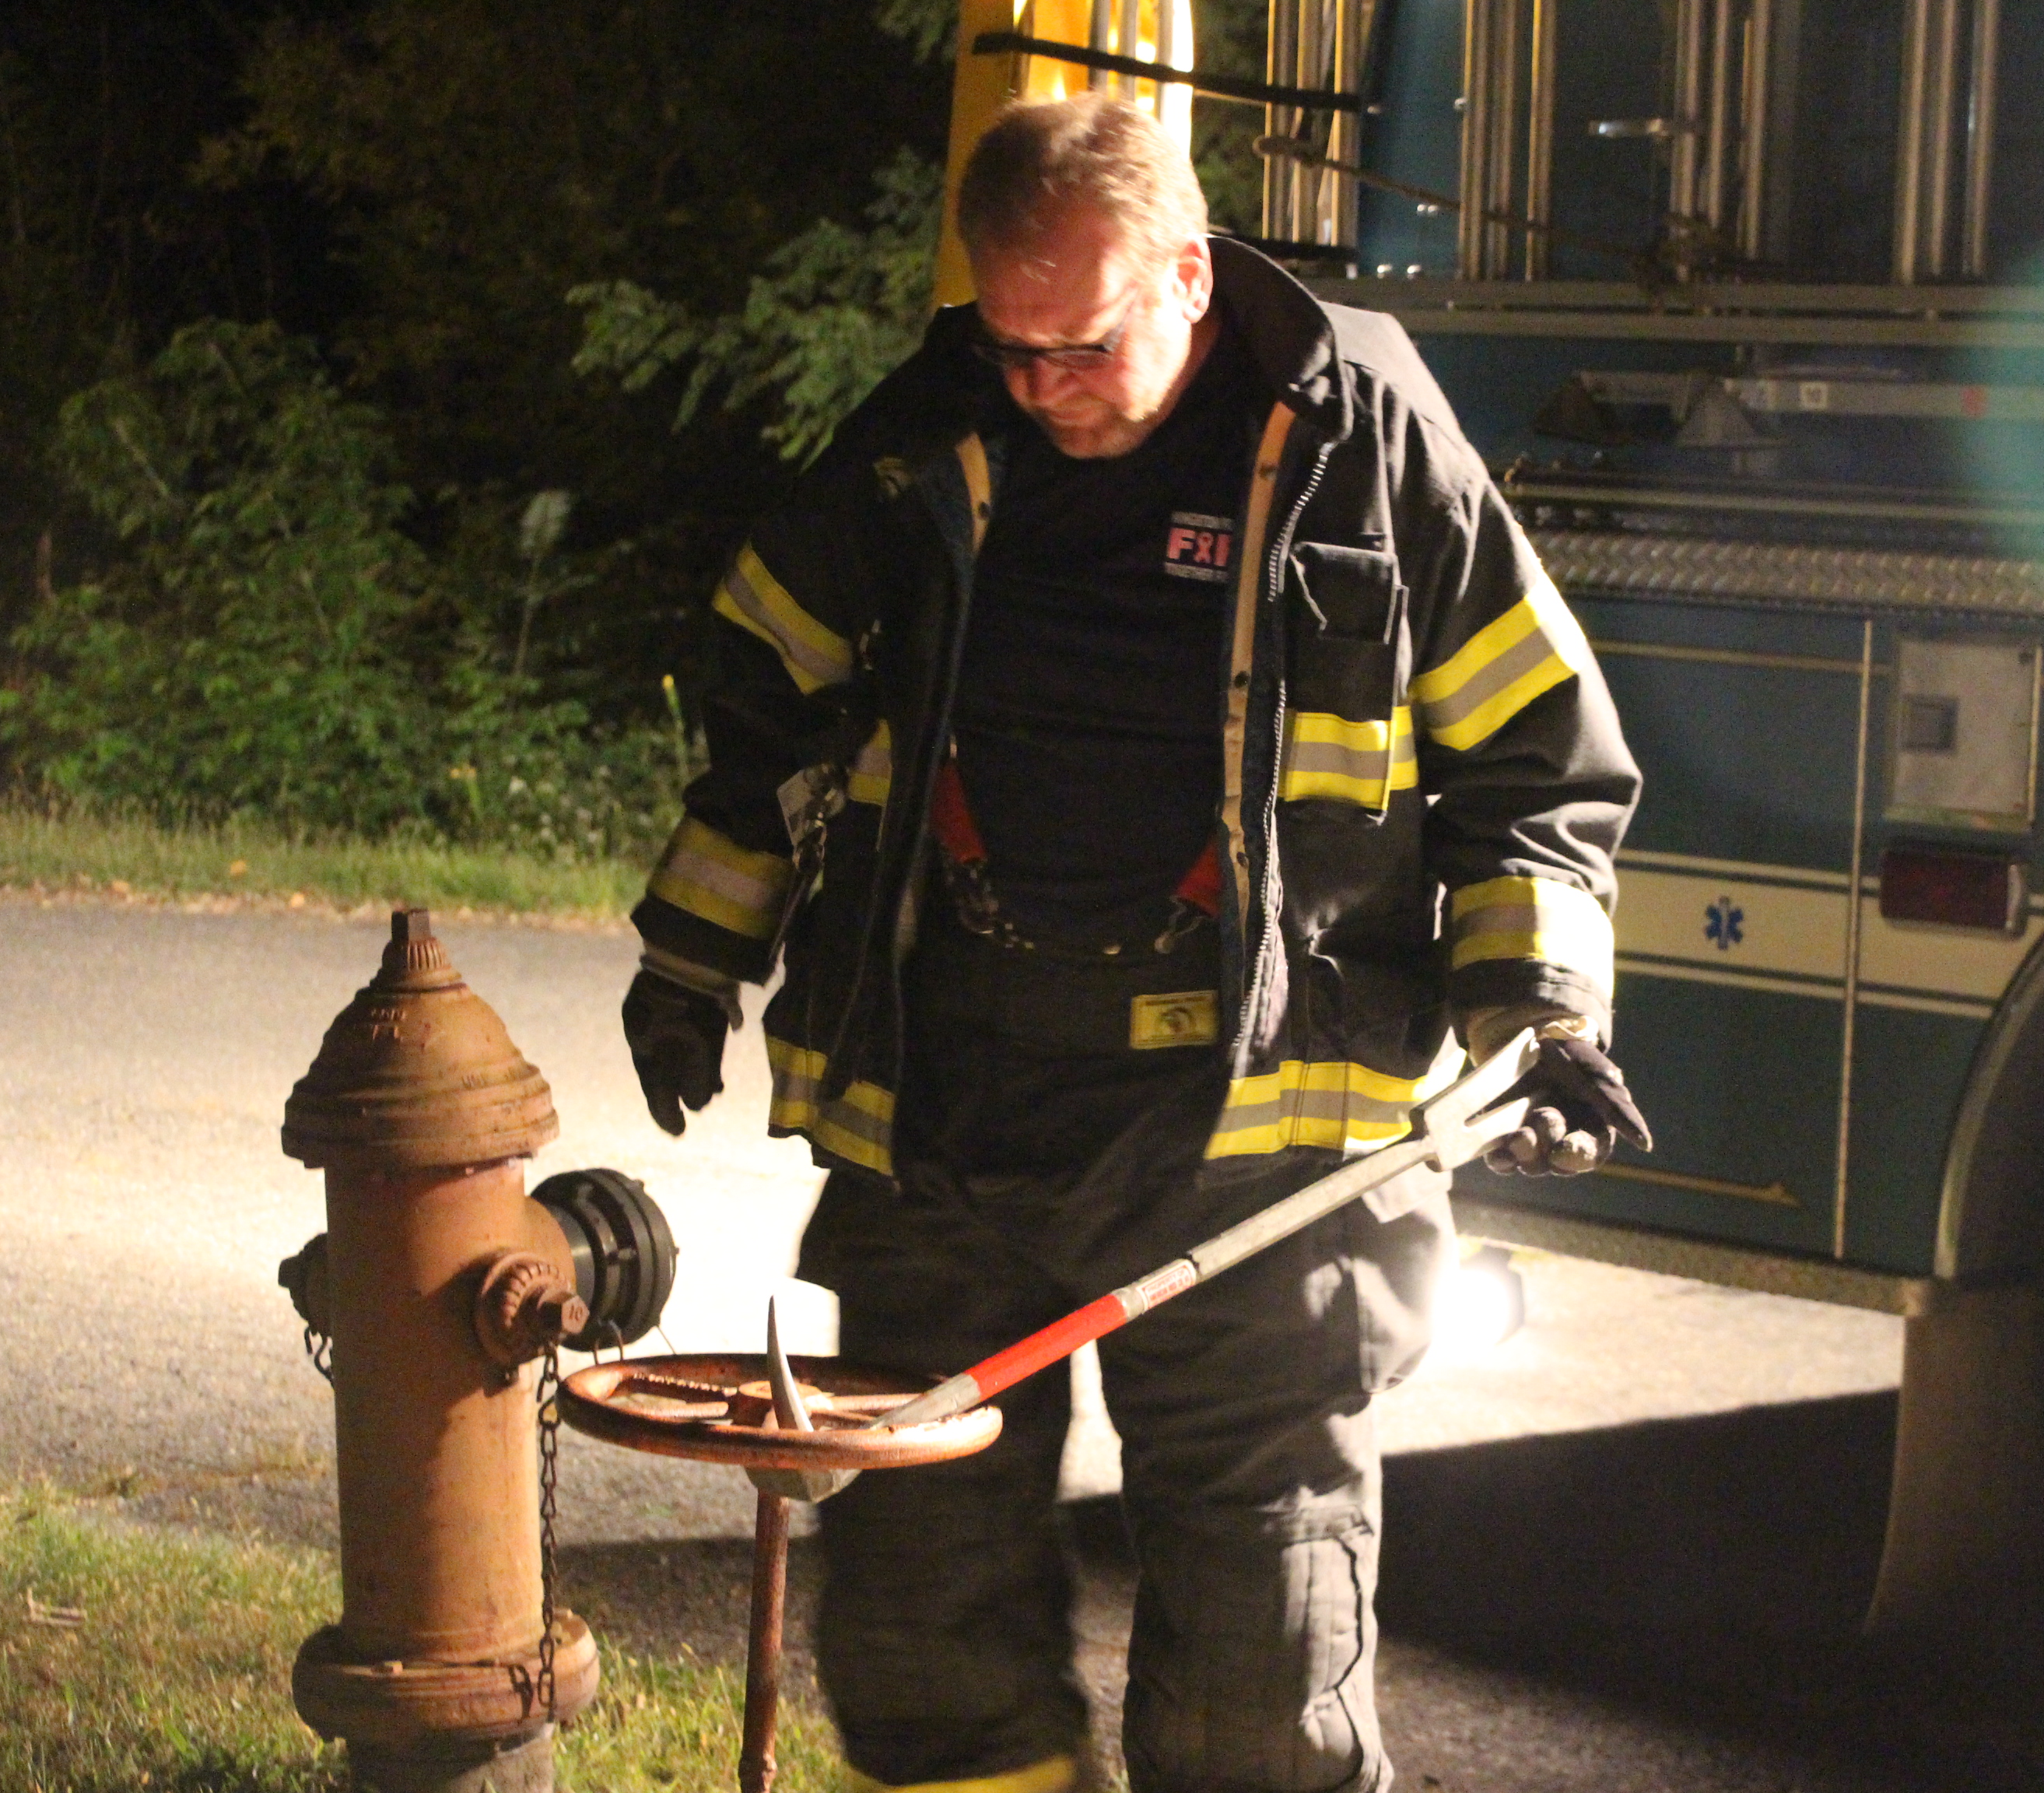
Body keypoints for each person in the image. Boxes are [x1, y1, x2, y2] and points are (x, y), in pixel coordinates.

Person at [622, 93, 1646, 1793]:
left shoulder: (1362, 437)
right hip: (952, 1111)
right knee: (919, 1627)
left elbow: (1533, 755)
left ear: (1188, 273)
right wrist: (692, 959)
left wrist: (1538, 1008)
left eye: (1083, 346)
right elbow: (768, 711)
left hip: (1260, 1149)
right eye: (1013, 349)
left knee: (1260, 1668)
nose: (1045, 388)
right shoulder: (921, 433)